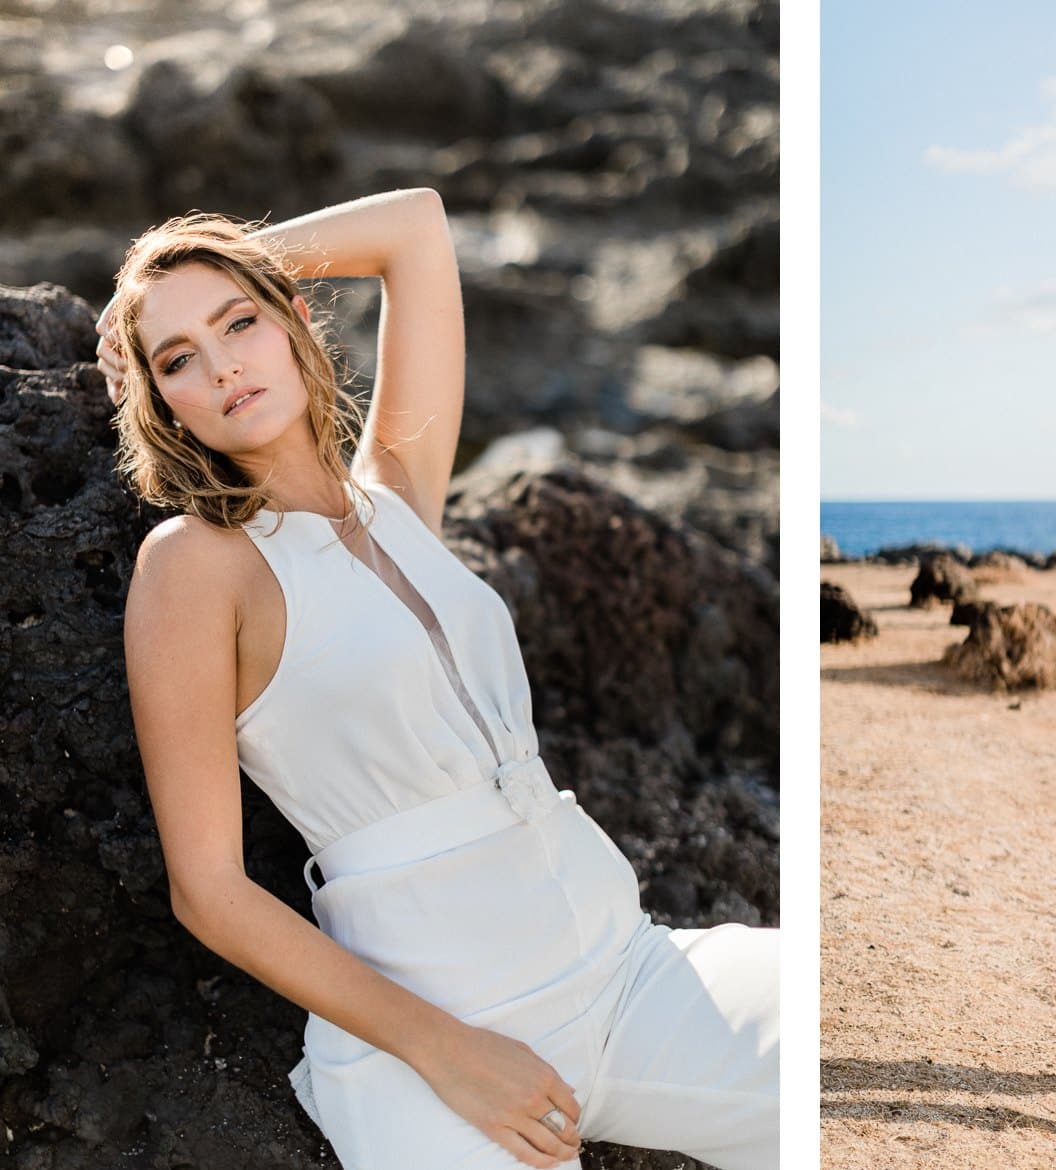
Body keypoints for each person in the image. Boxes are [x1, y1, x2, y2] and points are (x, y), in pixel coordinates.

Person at [99, 188, 778, 1169]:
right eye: (176, 361)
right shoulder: (195, 566)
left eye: (237, 322)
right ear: (165, 404)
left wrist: (195, 278)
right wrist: (446, 1050)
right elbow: (207, 890)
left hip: (630, 968)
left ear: (291, 319)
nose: (221, 367)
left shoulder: (398, 495)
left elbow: (415, 226)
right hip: (433, 1042)